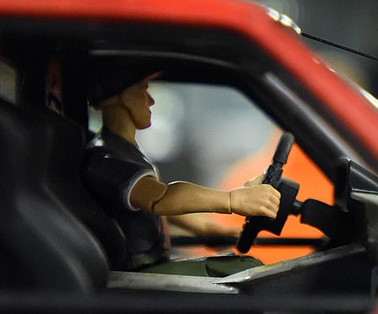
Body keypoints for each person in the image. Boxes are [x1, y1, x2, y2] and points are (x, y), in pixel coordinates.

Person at [82, 61, 280, 275]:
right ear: (120, 97)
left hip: (150, 263)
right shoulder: (107, 159)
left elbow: (149, 204)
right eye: (143, 90)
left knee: (240, 268)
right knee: (245, 270)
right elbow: (161, 199)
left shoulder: (123, 150)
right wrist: (232, 200)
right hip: (137, 273)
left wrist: (204, 228)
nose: (150, 101)